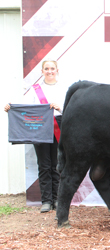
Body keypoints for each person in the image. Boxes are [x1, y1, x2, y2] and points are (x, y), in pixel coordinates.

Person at [4, 59, 67, 213]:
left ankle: (58, 199)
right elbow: (27, 109)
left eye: (52, 68)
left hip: (58, 128)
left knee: (56, 165)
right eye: (47, 68)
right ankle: (46, 201)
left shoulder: (64, 89)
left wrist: (59, 108)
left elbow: (70, 111)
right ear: (42, 71)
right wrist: (11, 109)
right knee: (44, 165)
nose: (50, 71)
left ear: (57, 70)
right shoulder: (35, 90)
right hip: (39, 130)